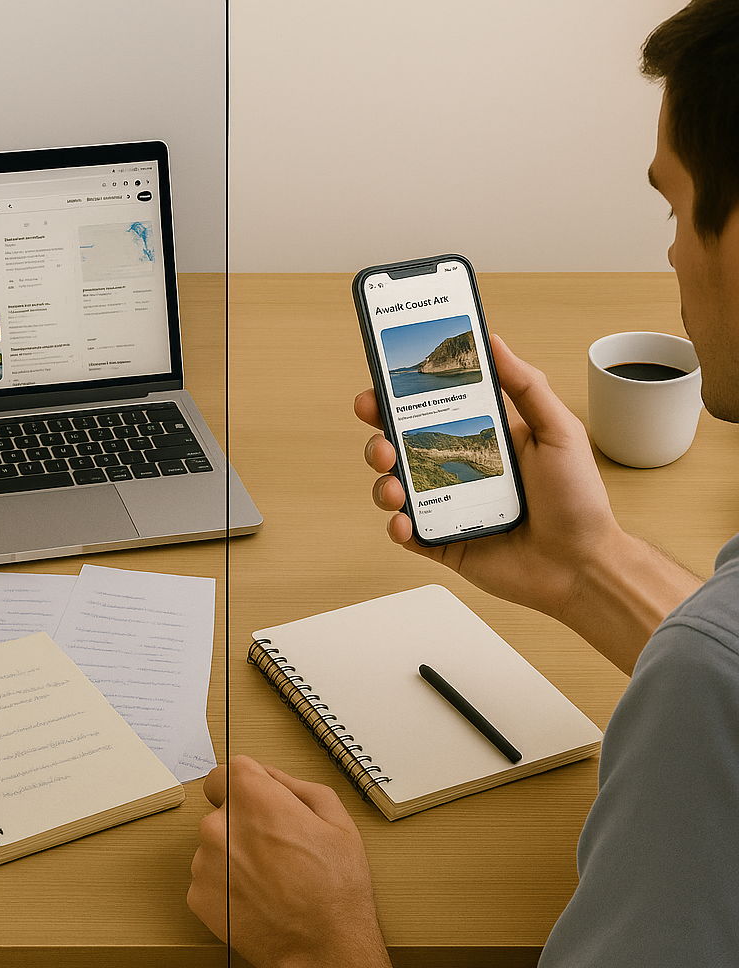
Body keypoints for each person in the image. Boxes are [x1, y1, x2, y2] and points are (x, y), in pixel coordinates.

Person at [187, 2, 739, 965]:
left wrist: (319, 941)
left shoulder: (709, 693)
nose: (670, 251)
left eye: (675, 205)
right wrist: (588, 561)